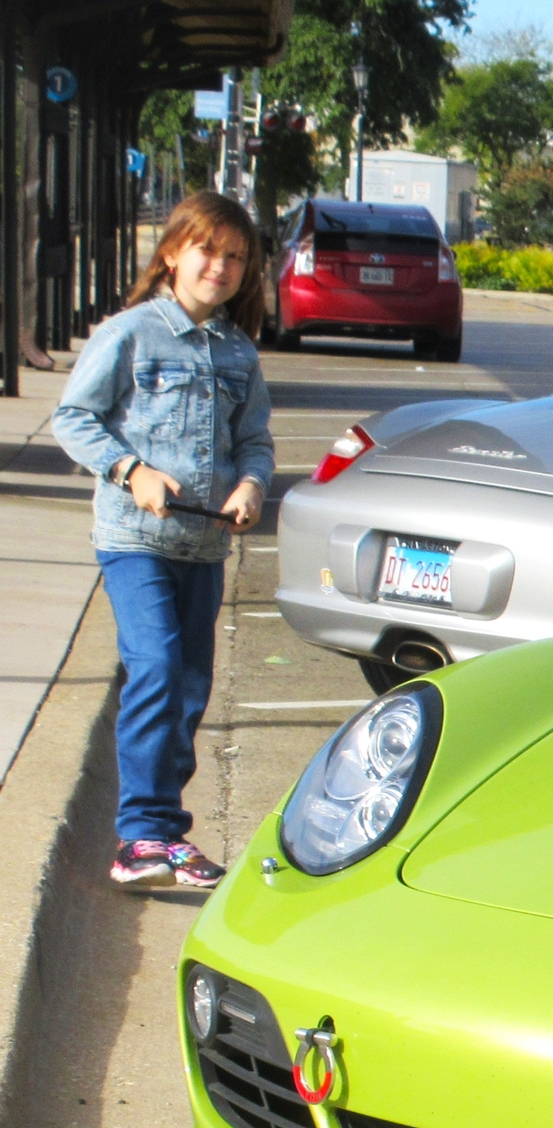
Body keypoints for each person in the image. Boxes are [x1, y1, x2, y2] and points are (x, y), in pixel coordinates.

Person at [51, 191, 273, 890]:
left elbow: (255, 441)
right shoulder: (131, 333)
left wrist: (252, 487)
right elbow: (73, 418)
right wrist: (131, 469)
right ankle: (141, 836)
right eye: (209, 250)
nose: (222, 266)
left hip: (204, 550)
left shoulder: (239, 353)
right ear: (173, 251)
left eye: (236, 257)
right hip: (135, 539)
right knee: (157, 665)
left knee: (188, 686)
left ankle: (164, 834)